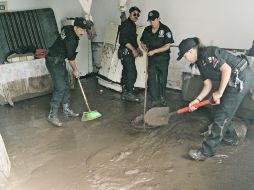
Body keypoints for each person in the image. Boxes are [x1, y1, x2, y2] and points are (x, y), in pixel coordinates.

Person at [177, 37, 254, 161]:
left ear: (191, 51)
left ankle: (206, 151)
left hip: (241, 78)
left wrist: (219, 92)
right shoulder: (200, 63)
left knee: (222, 115)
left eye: (185, 56)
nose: (186, 59)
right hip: (231, 81)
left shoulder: (208, 53)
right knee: (216, 111)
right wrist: (196, 100)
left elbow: (226, 69)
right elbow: (208, 85)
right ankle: (230, 137)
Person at [45, 17, 91, 127]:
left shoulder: (68, 27)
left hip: (59, 59)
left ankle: (66, 109)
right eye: (81, 30)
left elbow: (64, 32)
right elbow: (71, 59)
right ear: (75, 27)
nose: (83, 33)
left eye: (84, 30)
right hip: (53, 61)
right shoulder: (72, 40)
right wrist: (76, 70)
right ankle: (52, 115)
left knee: (66, 84)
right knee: (60, 87)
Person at [140, 10, 174, 107]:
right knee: (151, 79)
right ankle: (154, 99)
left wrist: (154, 51)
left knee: (162, 79)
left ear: (159, 19)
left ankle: (162, 97)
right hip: (151, 59)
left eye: (153, 20)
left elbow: (167, 46)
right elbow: (142, 42)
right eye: (150, 21)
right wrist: (143, 47)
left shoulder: (166, 30)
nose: (152, 23)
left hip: (163, 59)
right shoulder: (147, 30)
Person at [118, 6, 143, 102]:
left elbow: (132, 40)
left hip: (128, 52)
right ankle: (129, 93)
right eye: (134, 14)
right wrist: (133, 50)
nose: (136, 16)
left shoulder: (132, 25)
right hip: (126, 52)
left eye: (138, 15)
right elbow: (123, 40)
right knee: (132, 73)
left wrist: (138, 49)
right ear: (130, 13)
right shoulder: (126, 24)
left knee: (126, 72)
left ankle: (125, 91)